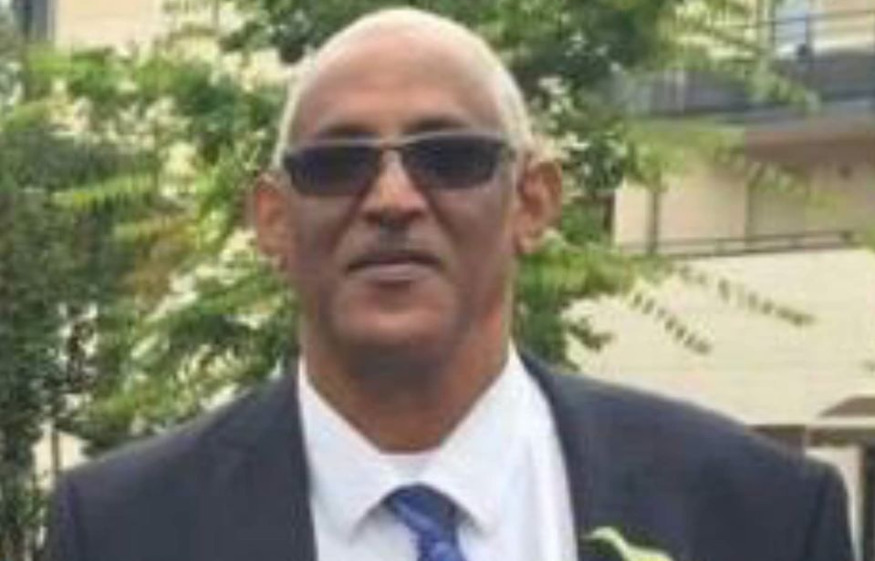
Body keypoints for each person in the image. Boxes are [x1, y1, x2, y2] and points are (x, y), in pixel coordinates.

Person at [45, 8, 854, 561]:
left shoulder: (757, 514)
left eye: (449, 156)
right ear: (273, 220)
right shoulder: (122, 529)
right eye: (337, 163)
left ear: (531, 201)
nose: (392, 198)